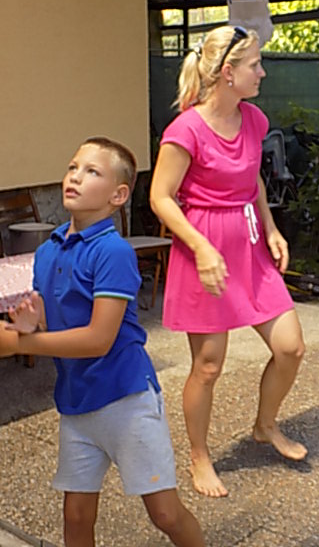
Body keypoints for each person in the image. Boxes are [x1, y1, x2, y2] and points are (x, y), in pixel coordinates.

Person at [0, 137, 205, 547]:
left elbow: (98, 339)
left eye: (92, 171)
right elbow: (52, 323)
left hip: (126, 398)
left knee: (164, 513)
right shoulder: (49, 250)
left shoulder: (112, 251)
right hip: (77, 401)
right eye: (73, 167)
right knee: (76, 516)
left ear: (118, 195)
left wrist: (22, 345)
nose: (75, 177)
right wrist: (31, 326)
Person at [149, 25, 307, 499]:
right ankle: (199, 455)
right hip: (204, 249)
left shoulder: (253, 119)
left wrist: (272, 228)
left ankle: (265, 425)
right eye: (255, 64)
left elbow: (251, 179)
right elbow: (160, 197)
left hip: (250, 246)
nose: (263, 72)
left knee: (290, 347)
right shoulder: (186, 130)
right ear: (228, 73)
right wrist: (200, 248)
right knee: (208, 365)